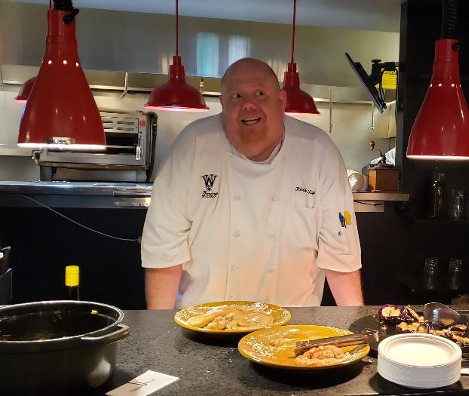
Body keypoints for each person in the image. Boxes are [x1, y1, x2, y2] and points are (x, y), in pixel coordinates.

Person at [141, 58, 363, 309]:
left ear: (281, 101)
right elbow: (164, 250)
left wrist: (355, 333)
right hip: (203, 326)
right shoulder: (193, 144)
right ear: (223, 105)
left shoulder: (318, 151)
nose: (248, 104)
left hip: (294, 331)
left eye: (259, 93)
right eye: (236, 96)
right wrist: (161, 335)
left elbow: (340, 253)